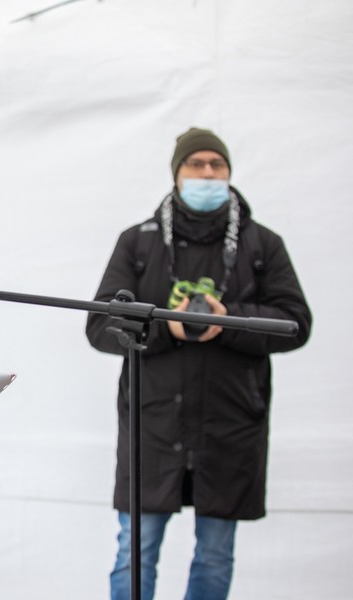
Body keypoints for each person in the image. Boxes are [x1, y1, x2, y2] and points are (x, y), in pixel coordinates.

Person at [85, 127, 312, 600]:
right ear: (177, 173)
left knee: (215, 552)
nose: (207, 174)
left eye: (216, 165)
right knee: (136, 548)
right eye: (196, 165)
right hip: (153, 425)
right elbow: (99, 325)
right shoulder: (138, 243)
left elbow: (296, 323)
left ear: (228, 173)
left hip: (230, 425)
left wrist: (230, 322)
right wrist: (164, 326)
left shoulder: (262, 244)